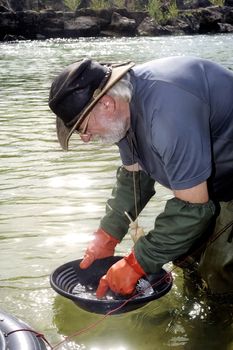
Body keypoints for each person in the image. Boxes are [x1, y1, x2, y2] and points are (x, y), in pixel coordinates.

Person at [48, 57, 233, 300]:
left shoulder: (167, 112)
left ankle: (217, 328)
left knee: (217, 271)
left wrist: (136, 264)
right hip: (210, 183)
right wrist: (108, 234)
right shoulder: (122, 113)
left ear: (105, 103)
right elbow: (133, 180)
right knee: (184, 256)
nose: (85, 139)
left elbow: (193, 207)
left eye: (82, 128)